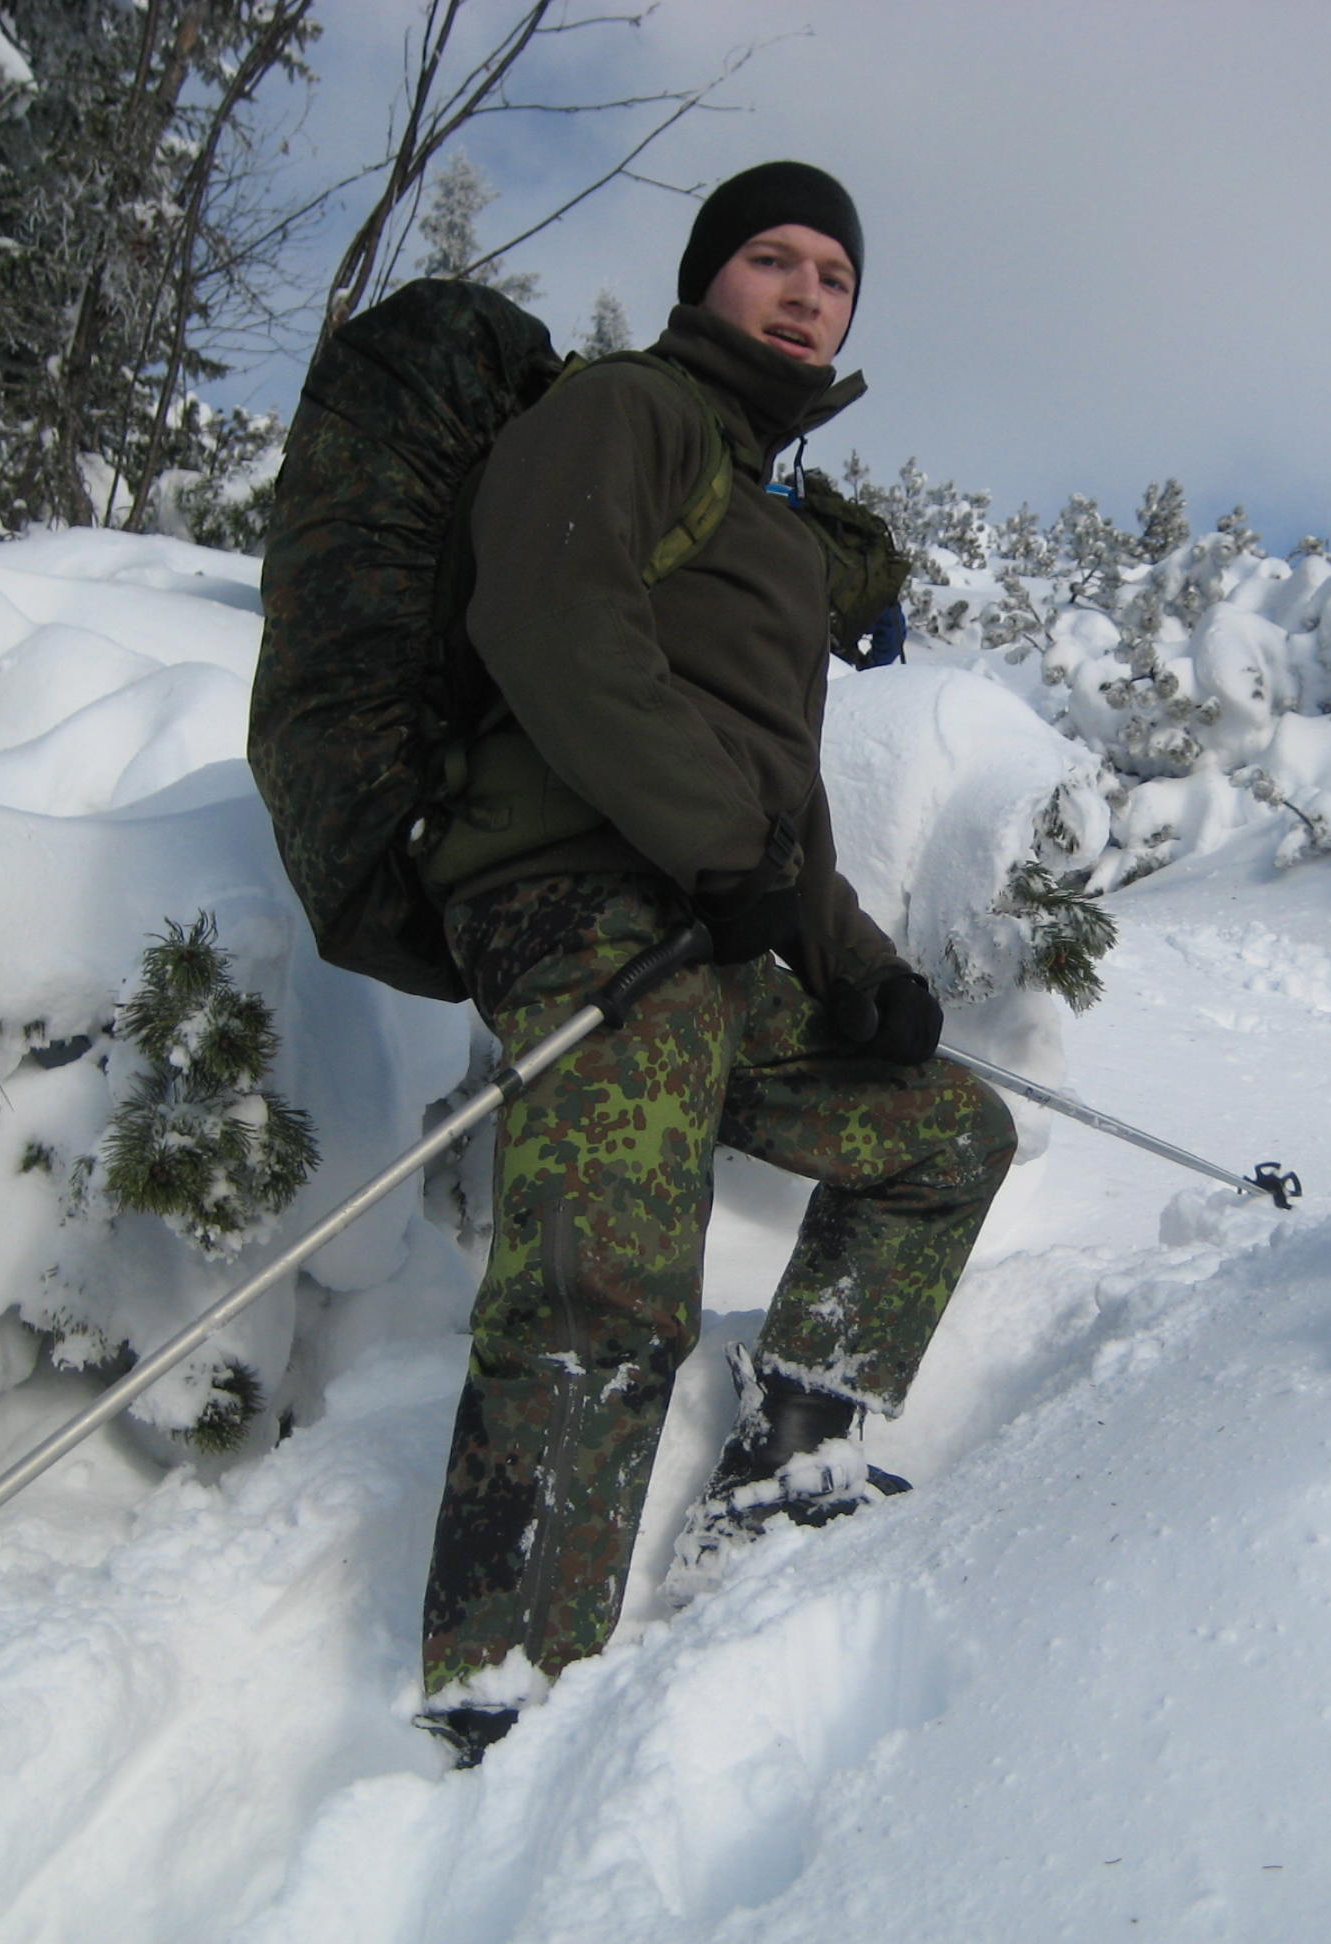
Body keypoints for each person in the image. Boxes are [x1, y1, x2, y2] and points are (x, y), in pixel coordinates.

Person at [409, 161, 1017, 1767]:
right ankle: (502, 1688)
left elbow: (777, 809)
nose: (808, 291)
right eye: (773, 257)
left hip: (704, 917)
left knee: (947, 1135)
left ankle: (791, 1452)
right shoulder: (626, 411)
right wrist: (712, 848)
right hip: (580, 898)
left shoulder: (770, 526)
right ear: (706, 279)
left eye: (836, 274)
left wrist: (856, 968)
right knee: (606, 1279)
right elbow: (550, 620)